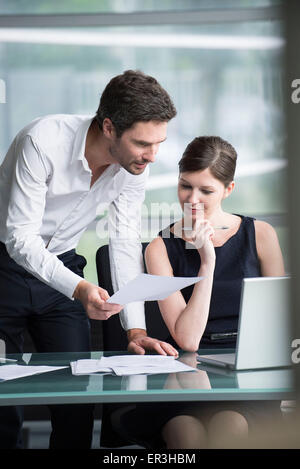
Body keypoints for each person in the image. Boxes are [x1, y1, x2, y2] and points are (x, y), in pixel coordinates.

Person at [0, 70, 178, 449]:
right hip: (4, 269)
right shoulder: (42, 141)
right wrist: (79, 288)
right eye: (143, 143)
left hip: (61, 269)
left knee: (77, 404)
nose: (152, 155)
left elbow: (124, 243)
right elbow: (20, 239)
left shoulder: (134, 168)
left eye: (159, 143)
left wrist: (135, 330)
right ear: (110, 127)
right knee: (3, 408)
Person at [108, 135, 286, 449]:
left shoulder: (260, 234)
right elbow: (188, 339)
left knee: (229, 425)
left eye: (206, 190)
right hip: (186, 370)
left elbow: (283, 321)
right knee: (185, 433)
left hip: (246, 371)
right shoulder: (161, 248)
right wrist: (207, 262)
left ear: (228, 189)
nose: (192, 199)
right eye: (185, 185)